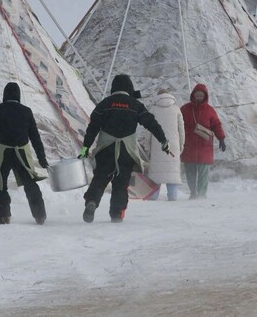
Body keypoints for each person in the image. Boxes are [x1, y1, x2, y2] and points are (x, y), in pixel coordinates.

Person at [79, 74, 169, 223]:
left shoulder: (104, 104)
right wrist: (163, 140)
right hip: (126, 152)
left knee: (100, 178)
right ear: (129, 88)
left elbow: (92, 127)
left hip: (106, 149)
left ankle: (91, 202)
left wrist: (85, 147)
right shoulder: (135, 105)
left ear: (113, 88)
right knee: (121, 183)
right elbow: (151, 123)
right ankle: (117, 213)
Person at [0, 82, 49, 225]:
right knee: (30, 184)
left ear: (5, 95)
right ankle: (40, 215)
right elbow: (35, 137)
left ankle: (4, 216)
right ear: (18, 96)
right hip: (22, 153)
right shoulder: (26, 111)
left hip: (3, 153)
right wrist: (41, 157)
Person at [181, 83, 226, 199]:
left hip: (204, 146)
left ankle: (201, 195)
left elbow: (216, 125)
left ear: (205, 96)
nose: (199, 97)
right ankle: (193, 193)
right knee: (190, 173)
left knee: (203, 173)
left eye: (201, 95)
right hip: (189, 145)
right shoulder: (185, 109)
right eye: (197, 95)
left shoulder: (210, 110)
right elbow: (178, 124)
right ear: (193, 95)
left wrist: (221, 138)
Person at [143, 88, 185, 201]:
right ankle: (172, 196)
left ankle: (154, 196)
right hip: (173, 145)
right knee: (172, 172)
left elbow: (148, 130)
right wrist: (181, 145)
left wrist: (147, 145)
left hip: (158, 145)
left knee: (157, 172)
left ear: (158, 97)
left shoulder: (153, 110)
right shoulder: (176, 109)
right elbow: (181, 130)